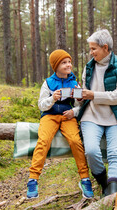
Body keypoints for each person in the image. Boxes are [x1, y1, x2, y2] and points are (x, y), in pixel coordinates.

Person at [26, 49, 94, 199]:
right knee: (43, 141)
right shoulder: (48, 83)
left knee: (75, 141)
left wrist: (77, 105)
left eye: (69, 62)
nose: (68, 65)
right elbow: (41, 105)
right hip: (49, 116)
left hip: (67, 116)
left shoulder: (73, 82)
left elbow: (78, 105)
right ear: (56, 66)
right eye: (64, 63)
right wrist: (53, 99)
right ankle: (33, 179)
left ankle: (85, 179)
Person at [77, 29, 117, 196]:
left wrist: (93, 95)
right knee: (91, 151)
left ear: (105, 47)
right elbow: (85, 94)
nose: (91, 52)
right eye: (90, 49)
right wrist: (80, 97)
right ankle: (104, 184)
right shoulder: (88, 67)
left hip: (116, 117)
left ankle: (112, 193)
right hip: (91, 116)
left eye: (93, 48)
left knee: (115, 153)